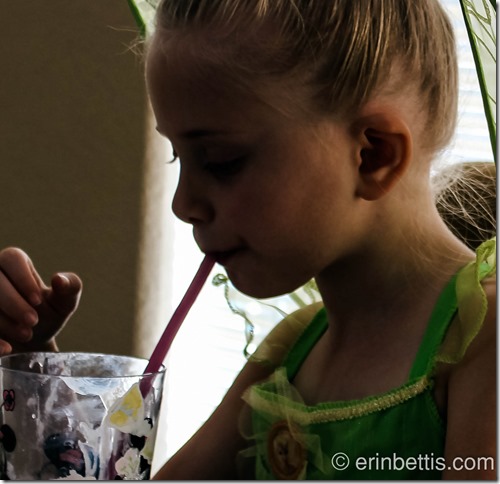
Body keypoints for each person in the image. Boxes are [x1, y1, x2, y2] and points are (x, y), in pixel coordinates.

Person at [0, 0, 496, 479]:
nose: (182, 205)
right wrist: (34, 366)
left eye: (221, 161)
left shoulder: (485, 343)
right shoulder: (290, 354)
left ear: (374, 155)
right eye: (178, 158)